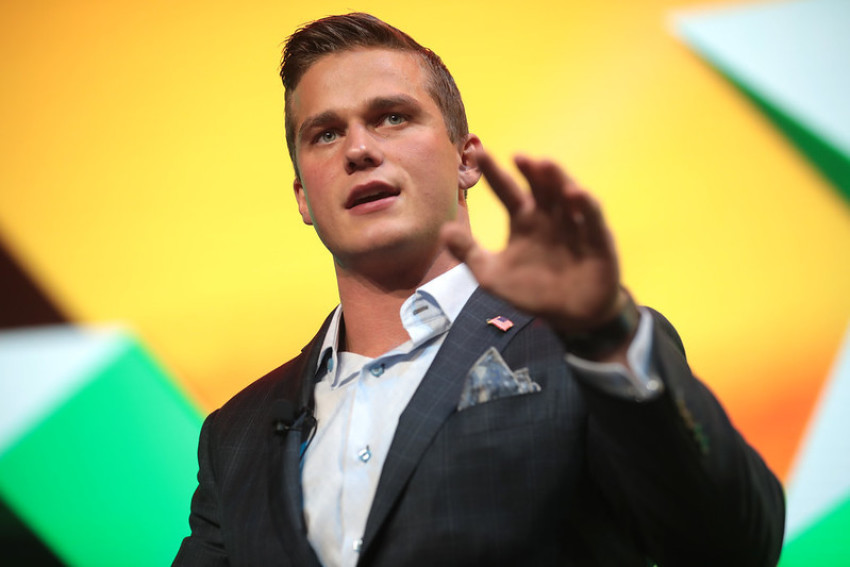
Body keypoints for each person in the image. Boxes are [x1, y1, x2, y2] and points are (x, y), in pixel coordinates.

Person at [173, 12, 784, 567]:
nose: (359, 149)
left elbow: (733, 545)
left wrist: (605, 337)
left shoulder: (584, 357)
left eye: (392, 116)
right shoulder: (237, 433)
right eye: (325, 134)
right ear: (304, 196)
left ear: (467, 160)